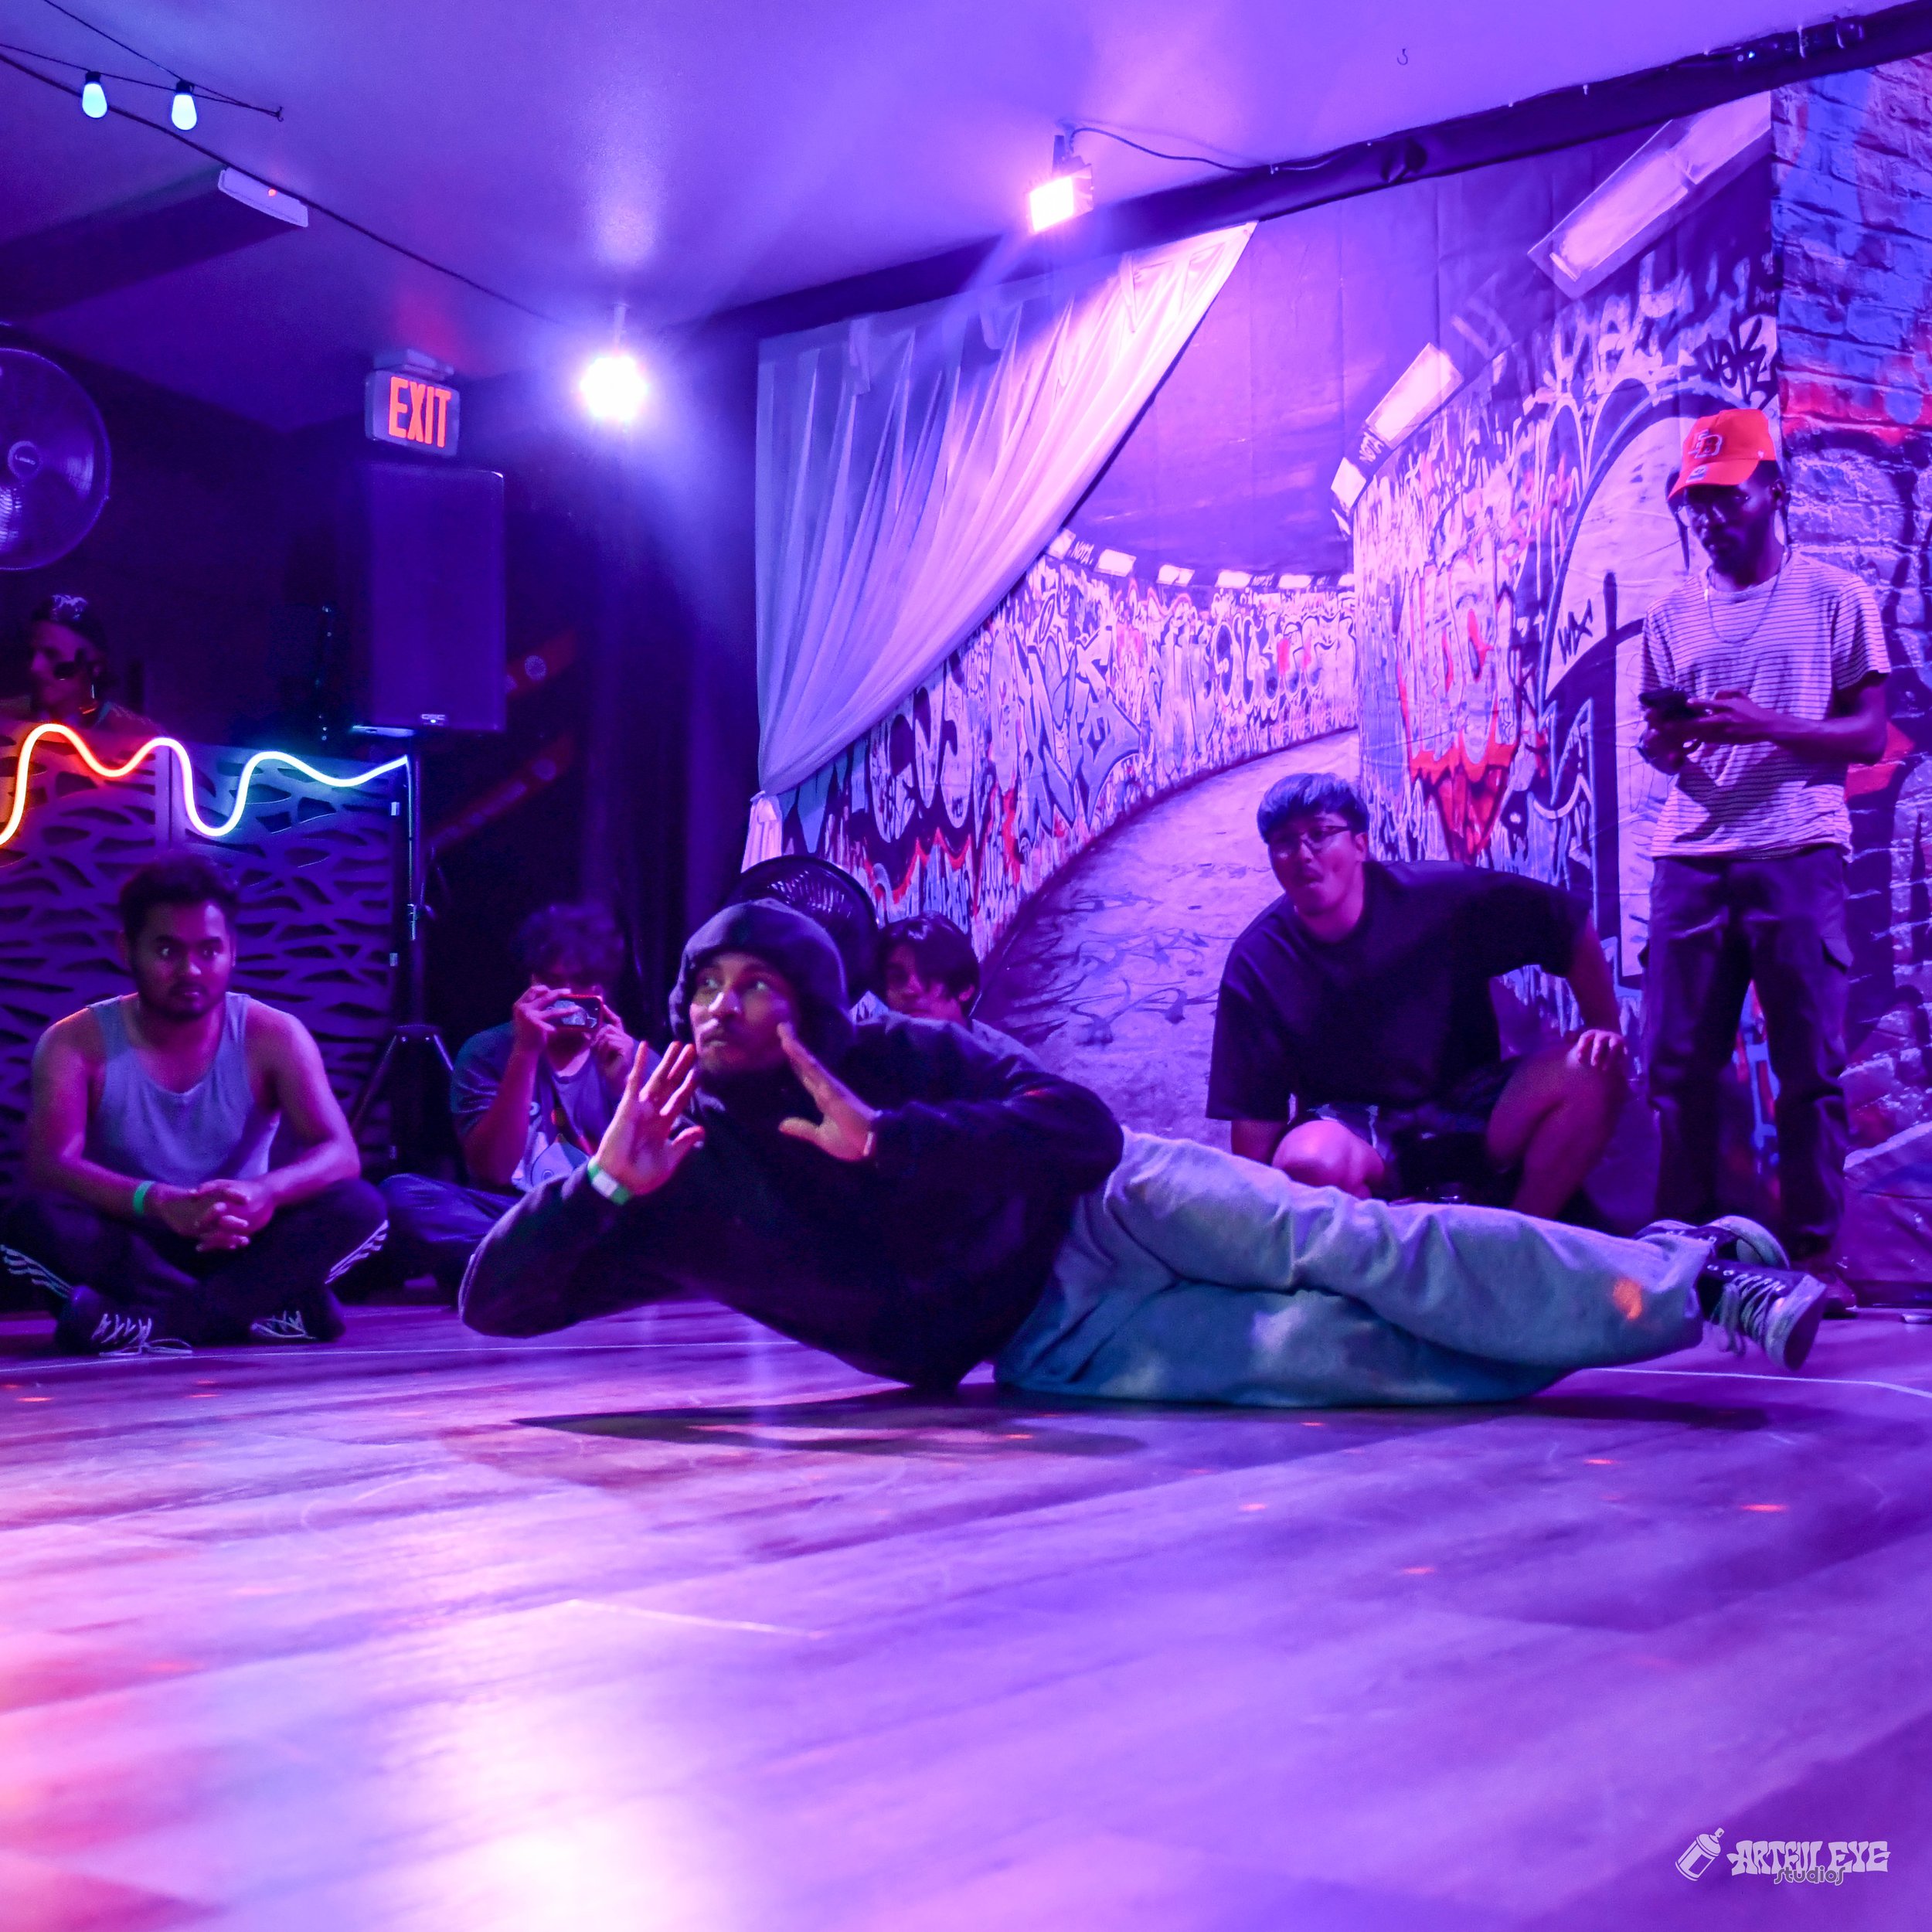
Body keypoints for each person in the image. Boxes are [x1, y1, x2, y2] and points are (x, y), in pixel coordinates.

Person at [458, 899, 1830, 1412]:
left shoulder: (895, 1055)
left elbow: (1080, 1126)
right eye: (704, 986)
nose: (720, 1009)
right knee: (1349, 1359)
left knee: (1358, 1244)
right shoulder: (676, 1167)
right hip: (1046, 1342)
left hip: (1104, 1205)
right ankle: (1638, 1299)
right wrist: (602, 1188)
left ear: (810, 1005)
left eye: (755, 985)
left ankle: (1702, 1284)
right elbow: (491, 1304)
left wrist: (893, 1144)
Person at [1639, 408, 1890, 1311]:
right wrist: (1665, 744)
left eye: (1726, 495)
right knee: (1675, 1070)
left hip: (1796, 850)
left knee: (1809, 1071)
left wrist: (1766, 726)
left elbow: (1870, 735)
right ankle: (1680, 1258)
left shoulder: (1835, 597)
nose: (1708, 516)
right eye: (1695, 501)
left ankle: (1815, 1259)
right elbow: (1655, 740)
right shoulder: (1670, 615)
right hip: (1690, 857)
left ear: (1773, 489)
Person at [0, 856, 387, 1355]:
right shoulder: (74, 1042)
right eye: (167, 951)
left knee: (359, 1205)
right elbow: (50, 1166)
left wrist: (264, 1193)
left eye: (209, 950)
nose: (191, 970)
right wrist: (158, 1201)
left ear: (232, 952)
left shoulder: (274, 1034)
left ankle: (145, 1323)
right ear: (127, 949)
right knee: (33, 1218)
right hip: (132, 1244)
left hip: (241, 1241)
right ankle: (254, 1313)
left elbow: (340, 1153)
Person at [1209, 774, 1628, 1219]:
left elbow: (1565, 921)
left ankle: (1517, 1232)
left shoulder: (1440, 899)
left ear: (1360, 845)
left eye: (1320, 833)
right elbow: (1254, 1116)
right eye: (1283, 842)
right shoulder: (1258, 962)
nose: (1303, 854)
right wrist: (1257, 1213)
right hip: (1354, 1120)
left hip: (1470, 1095)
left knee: (1593, 1070)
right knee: (1307, 1163)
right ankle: (1384, 1242)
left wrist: (1604, 1023)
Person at [379, 903, 648, 1295]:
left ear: (599, 991)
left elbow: (654, 1175)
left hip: (600, 1215)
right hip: (512, 1217)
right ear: (532, 981)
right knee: (402, 1195)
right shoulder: (487, 1052)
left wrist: (625, 1088)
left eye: (579, 983)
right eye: (551, 982)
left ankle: (511, 1271)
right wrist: (526, 1053)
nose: (564, 997)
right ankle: (567, 1270)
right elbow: (494, 1170)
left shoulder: (635, 1060)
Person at [0, 594, 162, 736]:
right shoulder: (5, 717)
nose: (35, 667)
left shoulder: (139, 734)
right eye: (31, 653)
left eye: (52, 655)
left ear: (96, 666)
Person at [879, 914, 1035, 1061]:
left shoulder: (1007, 1067)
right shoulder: (874, 1063)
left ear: (965, 988)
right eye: (897, 977)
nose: (909, 990)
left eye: (929, 974)